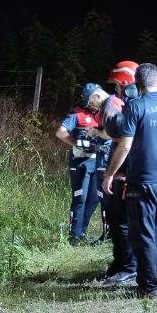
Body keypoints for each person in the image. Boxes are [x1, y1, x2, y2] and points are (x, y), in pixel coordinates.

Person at [101, 63, 157, 299]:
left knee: (141, 234)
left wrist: (109, 174)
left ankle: (148, 287)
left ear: (136, 84)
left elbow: (125, 145)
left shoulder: (136, 107)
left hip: (142, 180)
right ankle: (149, 279)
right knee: (156, 232)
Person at [97, 60, 140, 285]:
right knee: (114, 220)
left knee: (124, 222)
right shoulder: (128, 103)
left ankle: (129, 267)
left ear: (126, 83)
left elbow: (115, 130)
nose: (115, 90)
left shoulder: (135, 105)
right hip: (120, 169)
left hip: (128, 172)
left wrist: (111, 110)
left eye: (117, 85)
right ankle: (118, 263)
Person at [55, 82, 109, 244]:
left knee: (93, 199)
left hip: (97, 163)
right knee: (80, 198)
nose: (91, 104)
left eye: (91, 101)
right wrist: (78, 143)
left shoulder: (104, 113)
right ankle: (74, 236)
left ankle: (82, 232)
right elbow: (60, 133)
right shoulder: (77, 114)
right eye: (88, 102)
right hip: (80, 163)